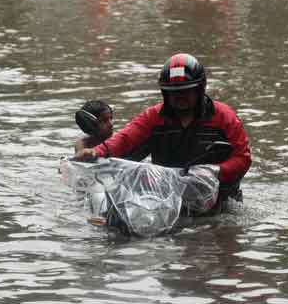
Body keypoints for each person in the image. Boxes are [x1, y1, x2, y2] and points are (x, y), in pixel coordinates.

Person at [75, 53, 252, 212]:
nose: (180, 97)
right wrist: (97, 151)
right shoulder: (154, 116)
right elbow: (126, 138)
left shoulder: (224, 116)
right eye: (173, 93)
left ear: (200, 89)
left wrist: (215, 171)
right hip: (167, 198)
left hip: (220, 201)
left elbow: (243, 158)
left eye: (186, 91)